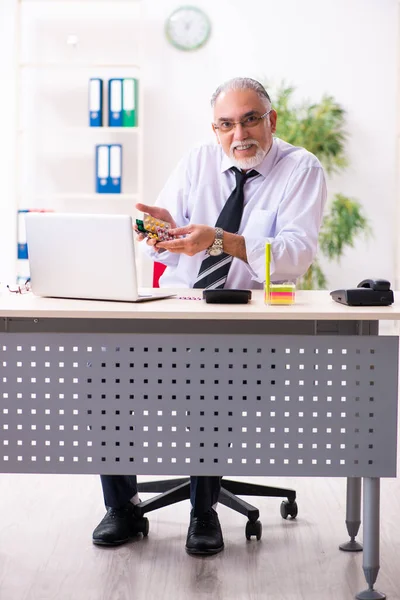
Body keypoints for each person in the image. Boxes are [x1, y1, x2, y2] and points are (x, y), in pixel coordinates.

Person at [92, 77, 327, 556]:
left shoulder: (300, 168)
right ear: (214, 128)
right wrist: (159, 227)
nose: (238, 134)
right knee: (107, 370)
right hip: (178, 312)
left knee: (209, 373)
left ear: (271, 120)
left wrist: (220, 241)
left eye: (249, 119)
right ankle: (123, 506)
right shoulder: (197, 161)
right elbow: (176, 233)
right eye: (226, 124)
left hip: (248, 326)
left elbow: (295, 257)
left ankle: (204, 512)